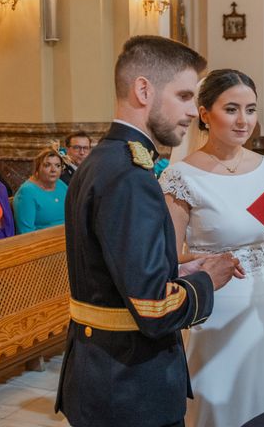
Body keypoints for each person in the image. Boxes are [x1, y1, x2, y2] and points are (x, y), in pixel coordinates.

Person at [55, 35, 243, 427]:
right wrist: (208, 280)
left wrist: (178, 271)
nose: (194, 111)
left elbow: (113, 274)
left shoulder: (103, 161)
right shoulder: (130, 176)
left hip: (99, 374)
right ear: (144, 89)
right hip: (130, 387)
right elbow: (152, 309)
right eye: (185, 95)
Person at [160, 68, 264, 427]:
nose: (244, 121)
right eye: (231, 109)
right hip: (211, 309)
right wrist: (207, 260)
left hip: (260, 310)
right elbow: (167, 258)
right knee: (217, 405)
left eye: (251, 109)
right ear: (205, 114)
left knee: (262, 404)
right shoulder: (182, 176)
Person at [13, 147, 67, 234]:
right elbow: (26, 233)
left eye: (57, 165)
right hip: (43, 243)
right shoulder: (27, 192)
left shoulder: (60, 184)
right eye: (47, 165)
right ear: (37, 168)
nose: (53, 170)